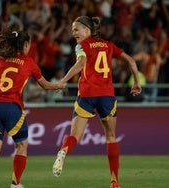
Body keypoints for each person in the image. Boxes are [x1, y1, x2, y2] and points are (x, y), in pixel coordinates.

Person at [52, 16, 142, 188]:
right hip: (107, 96)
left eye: (76, 29)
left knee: (74, 136)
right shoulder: (108, 45)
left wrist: (63, 81)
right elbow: (131, 61)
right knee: (110, 137)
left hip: (86, 94)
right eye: (73, 30)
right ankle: (115, 182)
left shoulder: (82, 46)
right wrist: (136, 82)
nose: (74, 32)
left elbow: (81, 63)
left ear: (87, 30)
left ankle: (63, 151)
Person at [0, 26, 65, 188]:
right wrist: (57, 85)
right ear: (26, 45)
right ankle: (15, 184)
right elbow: (45, 85)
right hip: (12, 108)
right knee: (21, 145)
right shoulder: (29, 63)